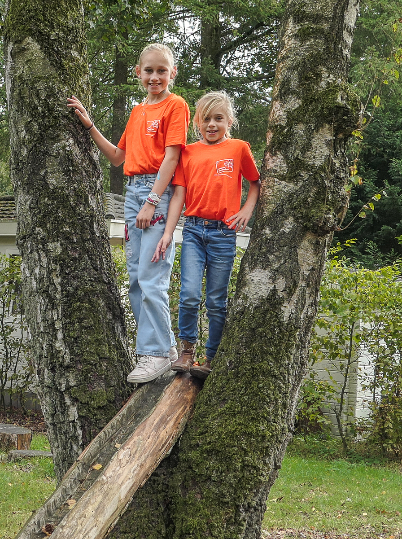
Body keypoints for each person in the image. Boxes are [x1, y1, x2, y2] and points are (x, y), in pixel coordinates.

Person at [67, 43, 189, 383]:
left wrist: (152, 200)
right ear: (138, 72)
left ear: (172, 74)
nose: (154, 76)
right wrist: (90, 125)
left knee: (152, 277)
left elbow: (172, 158)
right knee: (136, 279)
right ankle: (163, 351)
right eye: (148, 70)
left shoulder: (175, 105)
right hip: (133, 190)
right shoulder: (137, 112)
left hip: (155, 193)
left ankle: (154, 353)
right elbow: (119, 157)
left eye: (161, 71)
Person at [153, 90, 260, 379]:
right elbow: (179, 194)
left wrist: (247, 210)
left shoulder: (238, 149)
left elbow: (256, 182)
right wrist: (168, 232)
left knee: (216, 299)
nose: (212, 124)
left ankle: (209, 358)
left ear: (229, 121)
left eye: (219, 119)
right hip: (193, 231)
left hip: (223, 233)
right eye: (206, 119)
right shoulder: (188, 152)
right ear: (197, 122)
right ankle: (186, 351)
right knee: (188, 294)